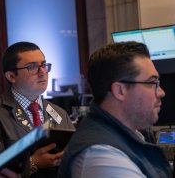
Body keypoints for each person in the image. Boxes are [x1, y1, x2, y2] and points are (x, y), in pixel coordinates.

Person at [58, 41, 172, 178]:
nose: (161, 92)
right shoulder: (100, 155)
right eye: (152, 83)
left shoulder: (132, 133)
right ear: (120, 91)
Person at [0, 41, 75, 177]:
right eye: (32, 67)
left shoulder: (59, 113)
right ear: (11, 76)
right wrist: (32, 163)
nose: (42, 72)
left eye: (43, 65)